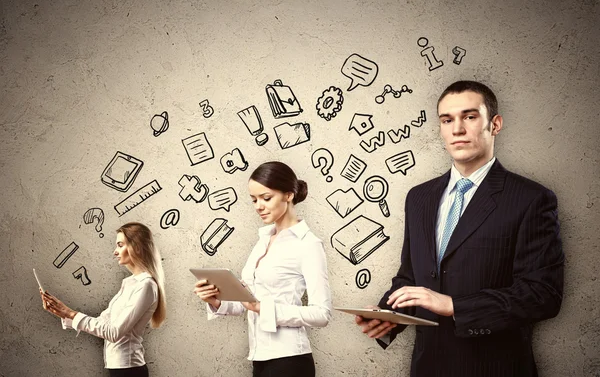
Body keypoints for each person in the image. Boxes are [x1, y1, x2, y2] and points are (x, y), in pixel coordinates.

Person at [355, 80, 564, 376]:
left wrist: (455, 305)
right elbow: (411, 276)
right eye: (447, 119)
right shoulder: (419, 198)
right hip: (427, 367)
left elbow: (542, 295)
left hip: (494, 368)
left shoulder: (531, 199)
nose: (457, 129)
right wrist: (391, 315)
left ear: (495, 124)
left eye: (469, 116)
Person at [194, 161, 332, 377]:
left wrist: (262, 308)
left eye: (266, 198)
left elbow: (321, 314)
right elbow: (247, 303)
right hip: (259, 359)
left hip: (290, 361)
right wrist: (216, 301)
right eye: (254, 200)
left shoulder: (308, 244)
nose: (259, 206)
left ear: (288, 195)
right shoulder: (263, 240)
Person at [40, 222, 166, 377]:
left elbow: (114, 333)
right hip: (118, 368)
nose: (115, 252)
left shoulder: (145, 286)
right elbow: (104, 322)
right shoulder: (129, 283)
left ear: (137, 247)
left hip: (130, 370)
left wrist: (72, 314)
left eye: (120, 245)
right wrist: (63, 313)